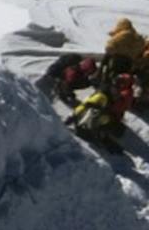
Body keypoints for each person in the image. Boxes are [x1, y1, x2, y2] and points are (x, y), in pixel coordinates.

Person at [41, 18, 149, 151]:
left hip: (115, 65)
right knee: (111, 90)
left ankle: (79, 90)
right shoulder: (138, 40)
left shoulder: (124, 35)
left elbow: (110, 47)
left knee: (104, 87)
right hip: (121, 85)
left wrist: (72, 118)